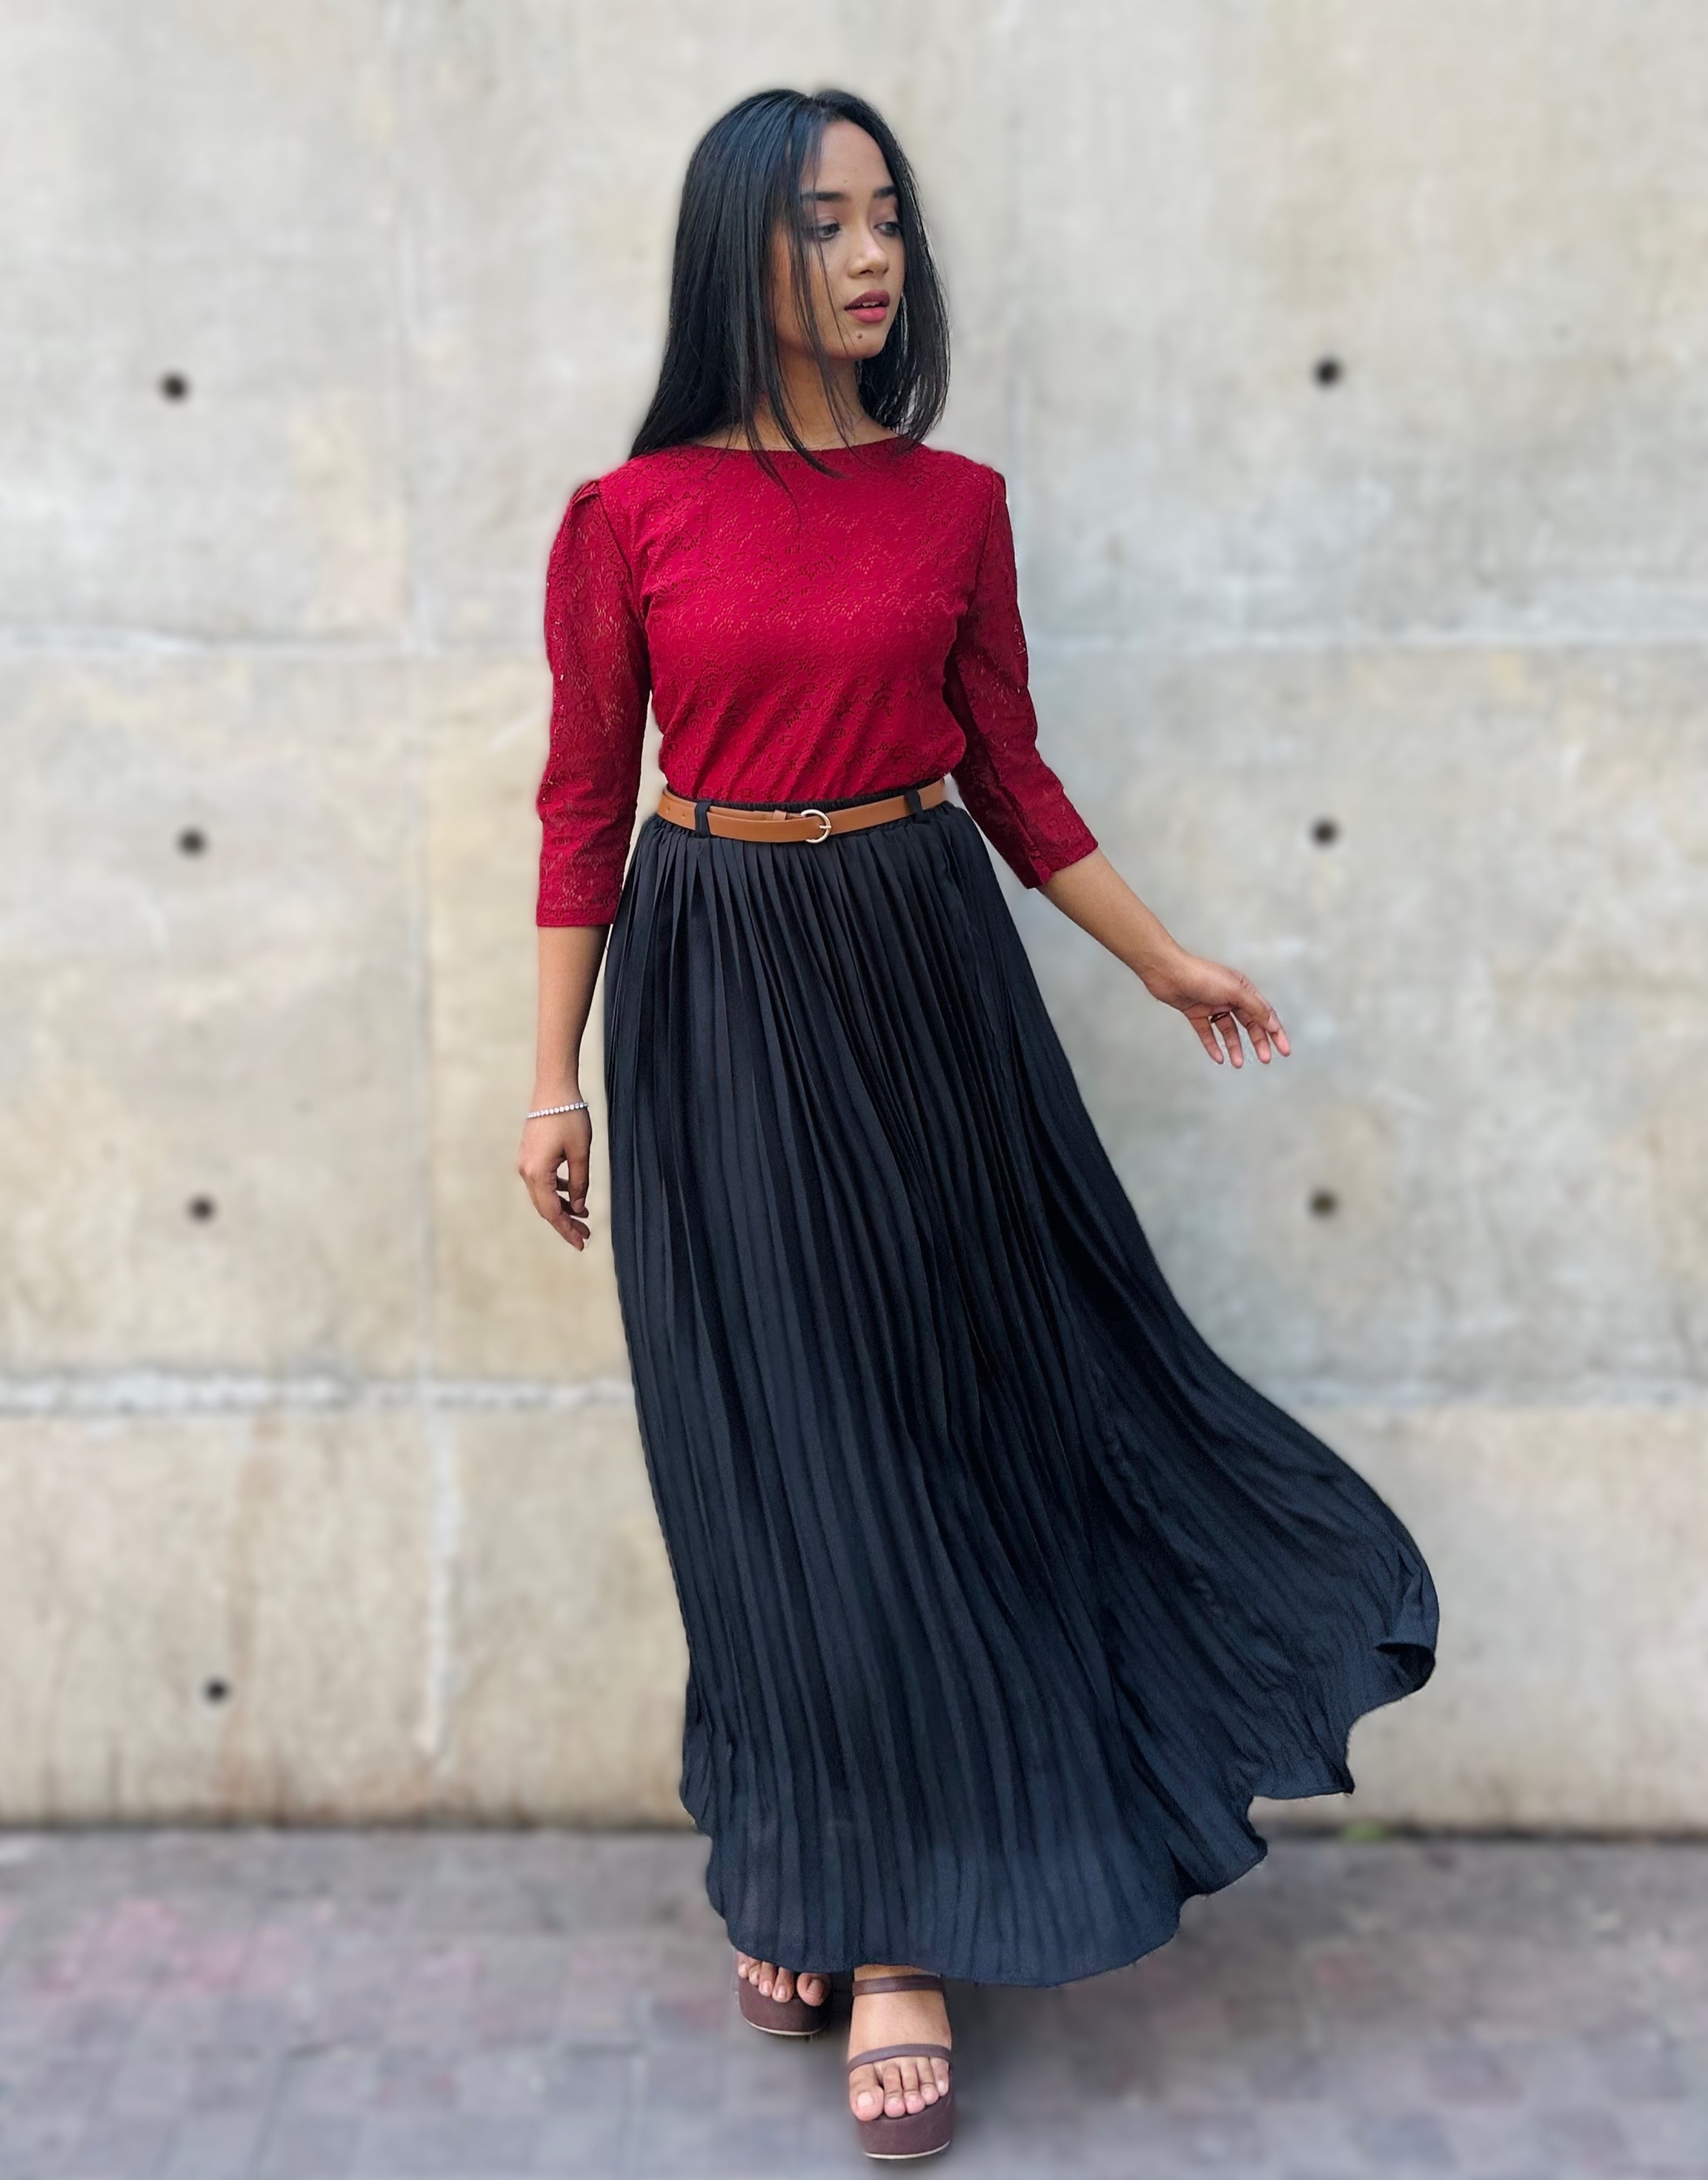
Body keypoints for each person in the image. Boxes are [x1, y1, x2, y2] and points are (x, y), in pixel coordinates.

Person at [519, 86, 1437, 2165]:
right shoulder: (629, 514)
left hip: (924, 973)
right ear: (735, 252)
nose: (872, 259)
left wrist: (1164, 956)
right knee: (768, 1446)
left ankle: (891, 1921)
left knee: (925, 1427)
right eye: (825, 223)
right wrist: (544, 1078)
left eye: (890, 222)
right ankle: (798, 1854)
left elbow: (1014, 781)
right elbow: (581, 810)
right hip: (718, 978)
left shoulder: (955, 504)